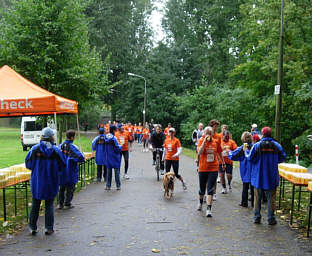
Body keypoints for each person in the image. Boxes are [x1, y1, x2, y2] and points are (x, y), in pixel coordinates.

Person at [25, 127, 65, 235]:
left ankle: (32, 227)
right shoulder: (56, 150)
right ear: (51, 137)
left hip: (37, 181)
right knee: (49, 205)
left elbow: (28, 164)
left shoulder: (34, 149)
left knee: (35, 204)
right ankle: (49, 228)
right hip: (51, 181)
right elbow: (62, 165)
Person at [246, 126, 286, 225]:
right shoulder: (277, 145)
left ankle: (257, 217)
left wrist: (246, 152)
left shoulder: (257, 145)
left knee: (257, 197)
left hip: (258, 176)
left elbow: (250, 158)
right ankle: (271, 218)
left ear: (262, 134)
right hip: (272, 176)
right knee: (271, 198)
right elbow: (282, 157)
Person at [197, 126, 225, 217]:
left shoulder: (216, 142)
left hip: (213, 168)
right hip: (203, 168)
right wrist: (204, 141)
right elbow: (200, 152)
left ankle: (209, 209)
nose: (208, 134)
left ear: (212, 133)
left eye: (210, 133)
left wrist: (223, 162)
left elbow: (220, 152)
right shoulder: (201, 141)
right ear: (204, 133)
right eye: (207, 133)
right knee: (202, 189)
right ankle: (201, 203)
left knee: (210, 189)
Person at [58, 130, 85, 209]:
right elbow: (80, 157)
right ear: (72, 137)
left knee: (62, 188)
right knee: (70, 188)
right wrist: (81, 157)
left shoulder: (60, 146)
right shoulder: (72, 147)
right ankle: (67, 203)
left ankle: (60, 203)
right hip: (70, 170)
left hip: (61, 170)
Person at [228, 132, 254, 207]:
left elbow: (233, 155)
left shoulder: (242, 148)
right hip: (252, 169)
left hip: (245, 169)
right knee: (253, 187)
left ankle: (244, 202)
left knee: (245, 186)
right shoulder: (254, 147)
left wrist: (228, 152)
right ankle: (253, 203)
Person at [208, 119, 222, 201]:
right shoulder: (206, 134)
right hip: (206, 158)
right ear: (211, 126)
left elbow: (219, 149)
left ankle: (214, 193)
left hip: (215, 158)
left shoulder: (218, 136)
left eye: (217, 126)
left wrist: (222, 160)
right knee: (206, 178)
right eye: (215, 126)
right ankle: (208, 192)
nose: (216, 128)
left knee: (214, 177)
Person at [104, 126, 122, 190]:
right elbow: (117, 149)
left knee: (109, 172)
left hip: (108, 157)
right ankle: (118, 185)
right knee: (116, 172)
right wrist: (120, 146)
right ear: (114, 131)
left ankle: (108, 186)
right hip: (115, 157)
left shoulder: (105, 137)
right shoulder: (114, 138)